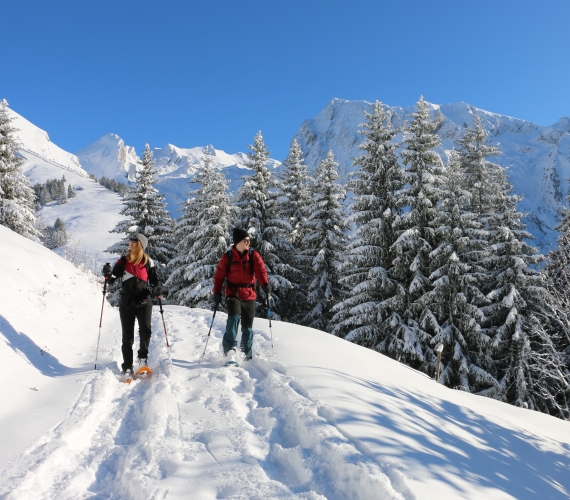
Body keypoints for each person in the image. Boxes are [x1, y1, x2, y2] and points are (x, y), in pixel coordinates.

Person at [102, 233, 162, 379]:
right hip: (127, 303)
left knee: (145, 332)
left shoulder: (148, 261)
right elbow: (111, 281)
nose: (130, 242)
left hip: (144, 301)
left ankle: (142, 361)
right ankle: (127, 367)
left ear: (140, 244)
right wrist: (108, 274)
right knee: (127, 337)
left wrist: (157, 288)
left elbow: (154, 281)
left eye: (134, 241)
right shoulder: (123, 261)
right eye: (130, 240)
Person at [212, 228, 271, 361]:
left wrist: (265, 284)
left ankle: (246, 355)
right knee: (233, 319)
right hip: (233, 293)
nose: (248, 242)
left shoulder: (253, 255)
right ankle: (230, 352)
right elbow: (219, 276)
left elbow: (261, 270)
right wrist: (217, 292)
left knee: (247, 327)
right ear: (238, 242)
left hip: (249, 294)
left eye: (249, 240)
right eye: (245, 240)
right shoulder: (227, 257)